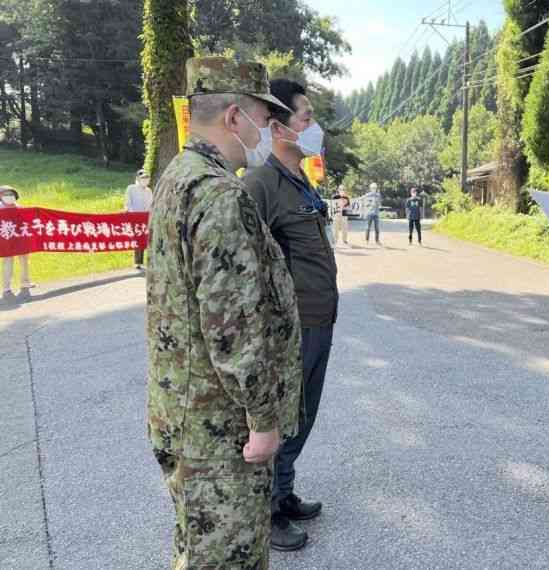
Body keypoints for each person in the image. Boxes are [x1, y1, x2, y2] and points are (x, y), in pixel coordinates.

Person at [146, 56, 302, 570]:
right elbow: (231, 325)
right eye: (264, 116)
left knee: (196, 549)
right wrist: (262, 419)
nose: (268, 130)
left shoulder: (178, 177)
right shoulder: (219, 195)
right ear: (235, 117)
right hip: (219, 432)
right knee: (226, 558)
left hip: (186, 416)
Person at [243, 79, 338, 552]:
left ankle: (285, 490)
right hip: (290, 327)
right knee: (282, 415)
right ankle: (268, 509)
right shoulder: (260, 183)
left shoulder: (298, 180)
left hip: (319, 320)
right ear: (279, 128)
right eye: (306, 118)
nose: (314, 127)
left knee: (303, 414)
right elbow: (249, 262)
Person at [1, 185, 35, 302]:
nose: (9, 196)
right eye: (5, 194)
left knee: (24, 260)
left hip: (20, 238)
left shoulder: (18, 207)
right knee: (8, 262)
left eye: (11, 194)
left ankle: (25, 283)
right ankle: (6, 289)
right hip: (6, 240)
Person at [125, 168, 153, 269]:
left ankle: (144, 261)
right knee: (137, 239)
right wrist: (133, 215)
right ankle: (138, 262)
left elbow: (150, 204)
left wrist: (146, 214)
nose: (145, 180)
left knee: (144, 239)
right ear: (138, 178)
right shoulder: (131, 188)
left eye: (146, 178)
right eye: (143, 178)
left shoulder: (148, 191)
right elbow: (128, 203)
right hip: (134, 218)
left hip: (145, 218)